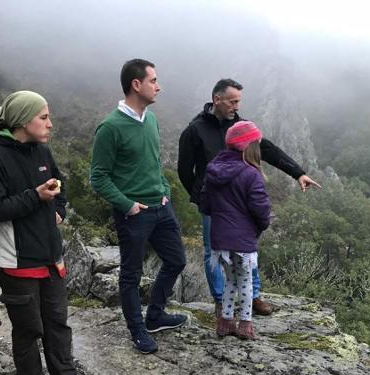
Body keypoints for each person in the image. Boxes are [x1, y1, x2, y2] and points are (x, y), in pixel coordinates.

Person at [178, 78, 321, 317]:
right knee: (212, 252)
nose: (236, 106)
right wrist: (202, 198)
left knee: (246, 248)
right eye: (233, 101)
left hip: (241, 202)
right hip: (213, 205)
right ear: (217, 99)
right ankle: (221, 300)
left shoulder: (243, 127)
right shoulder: (195, 130)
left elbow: (268, 150)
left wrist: (298, 173)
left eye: (238, 102)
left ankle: (253, 296)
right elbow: (185, 170)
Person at [0, 91, 77, 375]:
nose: (50, 124)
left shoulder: (41, 150)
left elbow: (59, 182)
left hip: (51, 258)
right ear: (22, 121)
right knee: (28, 332)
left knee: (58, 326)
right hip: (16, 262)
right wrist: (36, 196)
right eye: (44, 117)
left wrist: (58, 208)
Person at [90, 59, 187, 354]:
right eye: (153, 80)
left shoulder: (152, 120)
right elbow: (98, 177)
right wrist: (127, 205)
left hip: (161, 206)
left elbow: (153, 162)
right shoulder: (110, 127)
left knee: (177, 260)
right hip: (134, 214)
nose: (159, 86)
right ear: (136, 84)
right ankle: (137, 330)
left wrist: (165, 190)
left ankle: (155, 315)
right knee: (131, 275)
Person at [201, 121, 270, 340]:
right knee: (246, 282)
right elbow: (261, 210)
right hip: (243, 240)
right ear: (250, 147)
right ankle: (245, 324)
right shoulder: (251, 174)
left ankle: (225, 322)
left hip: (220, 240)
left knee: (230, 280)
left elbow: (205, 205)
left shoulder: (213, 169)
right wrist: (260, 226)